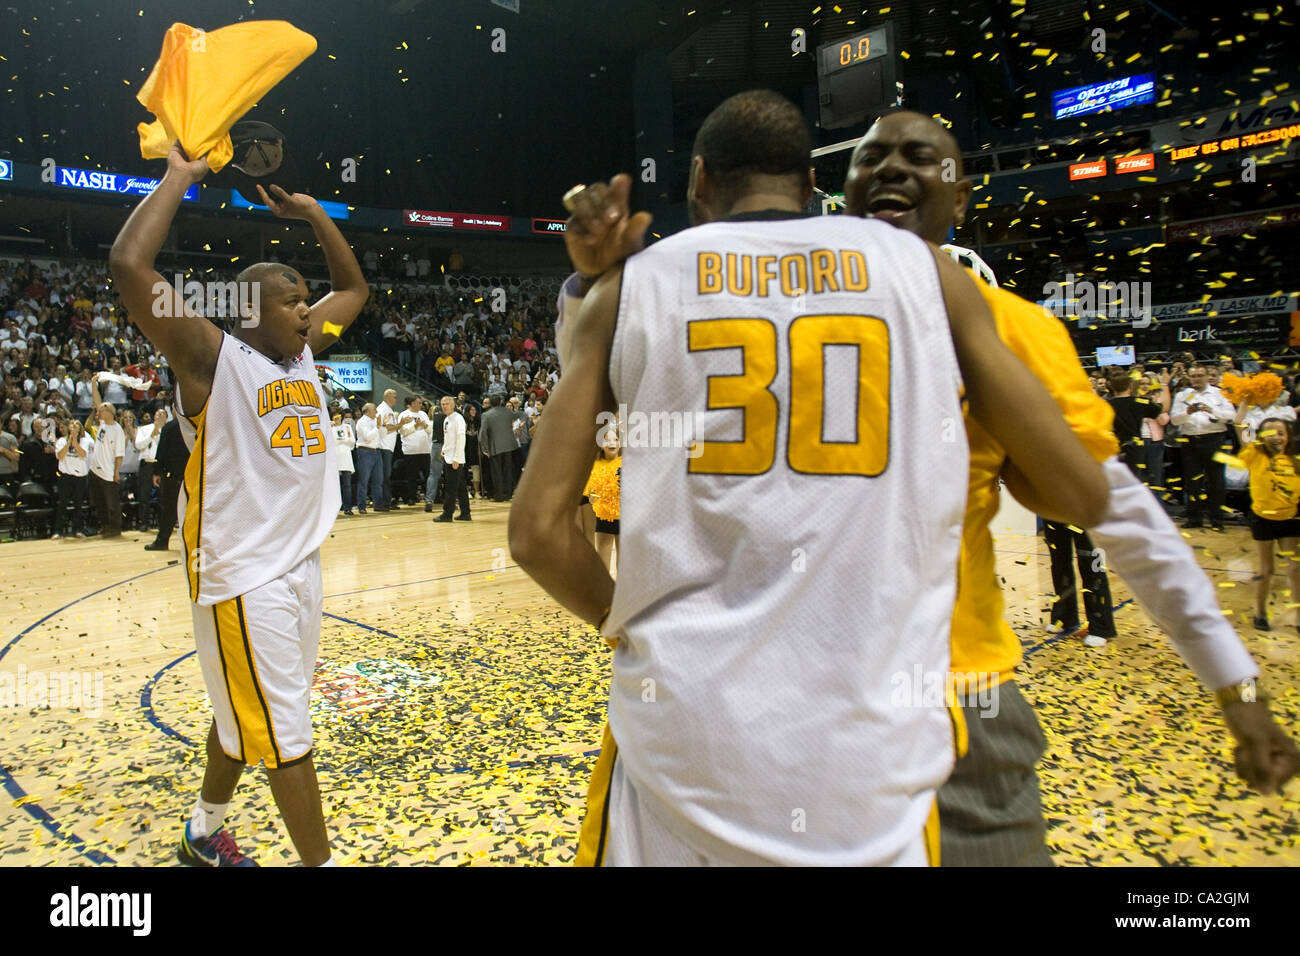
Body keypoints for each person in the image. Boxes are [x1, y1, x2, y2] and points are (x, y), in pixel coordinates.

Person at [511, 90, 1108, 866]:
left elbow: (534, 534)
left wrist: (620, 624)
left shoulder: (630, 288)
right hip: (865, 735)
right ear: (811, 181)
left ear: (698, 180)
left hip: (684, 727)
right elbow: (1081, 493)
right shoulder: (923, 273)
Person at [837, 108, 1300, 864]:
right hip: (790, 715)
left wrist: (1235, 684)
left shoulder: (1008, 328)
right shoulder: (768, 315)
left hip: (952, 703)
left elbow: (1120, 516)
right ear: (843, 193)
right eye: (870, 157)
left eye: (918, 155)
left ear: (961, 202)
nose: (889, 167)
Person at [110, 143, 367, 867]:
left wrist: (314, 213)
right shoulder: (211, 357)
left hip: (299, 566)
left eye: (304, 299)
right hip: (241, 572)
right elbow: (131, 269)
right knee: (285, 730)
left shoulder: (306, 352)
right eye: (292, 300)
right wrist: (179, 178)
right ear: (248, 311)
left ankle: (202, 829)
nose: (308, 312)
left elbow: (354, 292)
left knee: (245, 713)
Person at [1233, 406, 1300, 630]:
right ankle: (1260, 613)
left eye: (1281, 433)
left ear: (1288, 435)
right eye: (1270, 433)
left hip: (1290, 518)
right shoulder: (1255, 454)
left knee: (1295, 568)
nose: (1276, 437)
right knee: (1265, 570)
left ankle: (1298, 616)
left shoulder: (1295, 459)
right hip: (1263, 519)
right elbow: (1239, 423)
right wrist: (1245, 398)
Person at [1171, 366, 1235, 531]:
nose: (1196, 379)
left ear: (1208, 376)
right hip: (1190, 441)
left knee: (1216, 481)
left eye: (1200, 375)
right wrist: (1187, 413)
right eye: (1193, 376)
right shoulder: (1182, 395)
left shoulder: (1220, 393)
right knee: (1192, 482)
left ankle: (1217, 520)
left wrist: (1211, 410)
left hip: (1214, 440)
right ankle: (1194, 518)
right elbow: (1175, 421)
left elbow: (1231, 417)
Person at [85, 376, 124, 539]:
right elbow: (97, 400)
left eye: (101, 410)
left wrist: (116, 472)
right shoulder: (102, 425)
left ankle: (115, 529)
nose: (98, 412)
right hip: (95, 470)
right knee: (99, 502)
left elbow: (119, 454)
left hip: (108, 472)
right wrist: (94, 383)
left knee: (112, 504)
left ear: (109, 412)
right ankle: (105, 525)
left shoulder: (117, 430)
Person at [144, 415, 188, 552]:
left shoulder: (170, 427)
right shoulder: (195, 425)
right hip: (193, 474)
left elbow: (161, 451)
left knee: (169, 509)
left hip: (173, 475)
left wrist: (157, 472)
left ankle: (162, 541)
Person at [583, 425, 620, 573]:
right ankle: (604, 592)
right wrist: (595, 496)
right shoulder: (595, 465)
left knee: (624, 561)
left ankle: (622, 592)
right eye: (607, 440)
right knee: (603, 557)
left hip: (625, 516)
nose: (612, 443)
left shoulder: (627, 463)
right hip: (604, 516)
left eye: (615, 439)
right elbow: (591, 496)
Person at [51, 419, 93, 539]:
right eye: (72, 424)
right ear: (68, 427)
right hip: (65, 476)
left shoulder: (85, 440)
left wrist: (75, 442)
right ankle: (58, 531)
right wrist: (69, 442)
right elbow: (60, 455)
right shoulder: (61, 440)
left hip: (80, 477)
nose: (74, 426)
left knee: (78, 504)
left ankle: (77, 530)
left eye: (77, 425)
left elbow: (83, 454)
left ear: (80, 428)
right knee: (62, 504)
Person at [433, 395, 470, 522]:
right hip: (448, 457)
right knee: (460, 486)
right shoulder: (447, 419)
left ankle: (447, 514)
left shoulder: (458, 418)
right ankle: (466, 513)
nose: (444, 406)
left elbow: (461, 438)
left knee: (450, 488)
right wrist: (444, 449)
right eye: (442, 404)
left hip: (455, 459)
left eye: (447, 403)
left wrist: (457, 458)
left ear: (453, 405)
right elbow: (448, 438)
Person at [480, 393, 518, 501]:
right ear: (501, 402)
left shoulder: (486, 415)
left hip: (495, 446)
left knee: (497, 472)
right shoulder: (508, 411)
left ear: (491, 403)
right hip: (509, 445)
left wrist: (484, 448)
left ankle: (499, 495)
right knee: (508, 470)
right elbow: (517, 417)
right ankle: (508, 494)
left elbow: (482, 433)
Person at [396, 396, 431, 506]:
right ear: (411, 403)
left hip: (425, 450)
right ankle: (411, 497)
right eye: (418, 403)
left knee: (428, 475)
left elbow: (430, 430)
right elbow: (402, 432)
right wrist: (415, 426)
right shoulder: (403, 415)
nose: (421, 405)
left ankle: (429, 497)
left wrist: (425, 425)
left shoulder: (424, 414)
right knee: (412, 476)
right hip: (411, 451)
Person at [354, 403, 382, 515]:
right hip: (365, 451)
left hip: (376, 451)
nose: (376, 412)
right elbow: (368, 437)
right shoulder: (362, 422)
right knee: (363, 481)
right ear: (368, 411)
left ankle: (378, 504)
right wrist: (378, 427)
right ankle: (361, 506)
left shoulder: (375, 421)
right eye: (375, 409)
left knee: (378, 480)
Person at [375, 388, 400, 511]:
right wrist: (401, 424)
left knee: (386, 476)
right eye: (395, 397)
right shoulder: (384, 409)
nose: (396, 399)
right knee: (385, 476)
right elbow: (388, 427)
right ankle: (384, 502)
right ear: (388, 397)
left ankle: (386, 500)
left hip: (388, 447)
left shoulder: (387, 409)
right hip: (384, 447)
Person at [333, 411, 356, 516]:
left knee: (347, 485)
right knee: (335, 486)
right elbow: (332, 442)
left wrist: (343, 440)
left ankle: (348, 508)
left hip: (346, 458)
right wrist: (344, 440)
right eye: (335, 417)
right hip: (334, 459)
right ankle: (335, 509)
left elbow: (352, 441)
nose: (337, 419)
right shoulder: (330, 427)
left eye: (339, 417)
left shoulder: (347, 427)